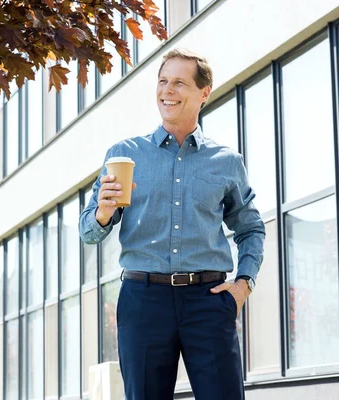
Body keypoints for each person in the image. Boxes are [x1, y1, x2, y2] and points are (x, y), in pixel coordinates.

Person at [79, 48, 265, 400]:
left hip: (208, 301)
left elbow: (250, 228)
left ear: (204, 93)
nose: (167, 90)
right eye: (163, 81)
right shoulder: (125, 155)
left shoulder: (226, 162)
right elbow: (88, 231)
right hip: (143, 300)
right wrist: (103, 213)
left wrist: (243, 285)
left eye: (179, 83)